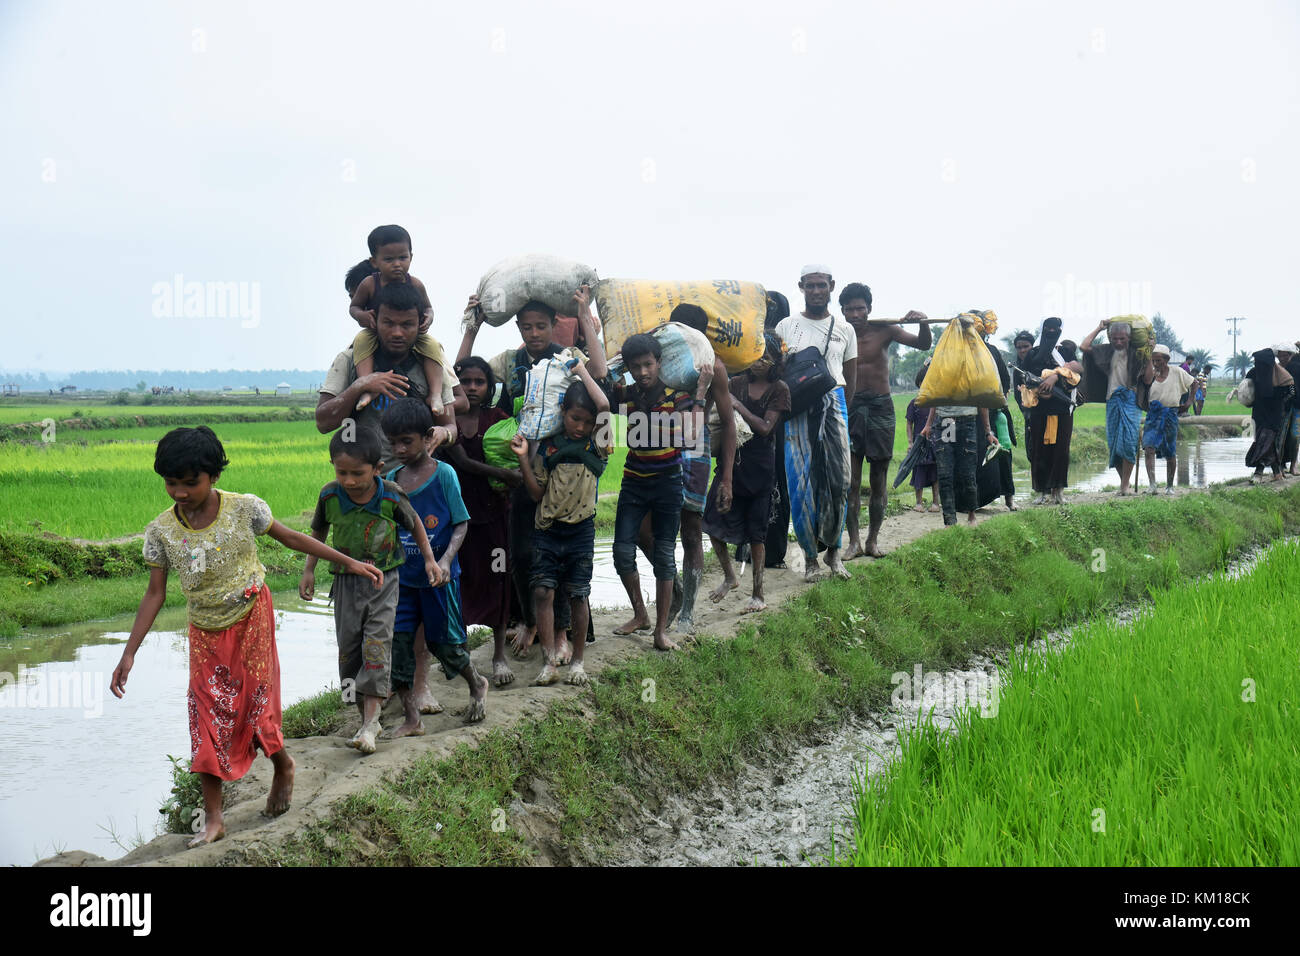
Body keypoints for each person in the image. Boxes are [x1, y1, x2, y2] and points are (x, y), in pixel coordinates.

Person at [111, 426, 384, 848]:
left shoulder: (245, 510)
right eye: (171, 483)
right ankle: (214, 819)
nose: (180, 492)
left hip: (252, 616)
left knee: (256, 709)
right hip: (204, 632)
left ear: (214, 476)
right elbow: (155, 594)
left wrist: (352, 562)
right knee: (205, 720)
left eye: (190, 482)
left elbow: (294, 538)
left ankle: (283, 766)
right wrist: (129, 654)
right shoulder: (161, 532)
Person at [459, 288, 601, 656]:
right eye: (526, 327)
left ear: (555, 325)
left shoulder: (569, 358)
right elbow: (460, 377)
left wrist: (585, 316)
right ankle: (530, 622)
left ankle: (566, 632)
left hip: (568, 472)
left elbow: (599, 376)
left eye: (541, 326)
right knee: (522, 552)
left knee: (567, 551)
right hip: (525, 468)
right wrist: (471, 328)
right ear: (518, 328)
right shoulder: (510, 362)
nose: (534, 334)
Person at [300, 428, 439, 755]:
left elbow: (416, 524)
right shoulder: (329, 496)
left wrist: (431, 560)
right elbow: (317, 532)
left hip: (383, 582)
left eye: (357, 473)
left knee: (376, 645)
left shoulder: (390, 495)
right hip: (345, 583)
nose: (348, 480)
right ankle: (367, 716)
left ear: (377, 468)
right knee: (349, 648)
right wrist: (308, 570)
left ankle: (370, 723)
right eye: (341, 472)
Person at [381, 398, 489, 726]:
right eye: (393, 442)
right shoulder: (390, 479)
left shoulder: (445, 476)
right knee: (399, 647)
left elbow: (460, 523)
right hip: (403, 579)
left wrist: (444, 562)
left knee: (447, 645)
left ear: (428, 437)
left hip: (439, 578)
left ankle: (476, 683)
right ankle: (411, 718)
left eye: (406, 441)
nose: (399, 448)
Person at [587, 330, 696, 650]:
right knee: (622, 552)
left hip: (667, 484)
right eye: (636, 366)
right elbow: (602, 388)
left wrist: (701, 393)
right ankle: (640, 614)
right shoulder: (628, 396)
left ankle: (660, 631)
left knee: (664, 556)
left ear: (659, 363)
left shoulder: (679, 398)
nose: (643, 372)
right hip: (634, 480)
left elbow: (691, 437)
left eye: (648, 364)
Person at [510, 361, 610, 685]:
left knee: (578, 594)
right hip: (547, 531)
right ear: (562, 412)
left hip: (581, 531)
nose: (579, 427)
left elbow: (605, 404)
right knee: (542, 591)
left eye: (587, 421)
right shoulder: (550, 447)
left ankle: (578, 661)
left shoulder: (597, 445)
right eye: (574, 418)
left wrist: (581, 369)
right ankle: (549, 661)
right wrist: (524, 458)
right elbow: (537, 492)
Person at [637, 303, 735, 632]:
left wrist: (727, 477)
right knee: (641, 527)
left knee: (690, 528)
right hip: (655, 440)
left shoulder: (712, 367)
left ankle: (688, 613)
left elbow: (729, 424)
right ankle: (676, 588)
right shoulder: (652, 363)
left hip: (694, 445)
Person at [317, 281, 461, 471]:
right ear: (375, 321)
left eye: (407, 325)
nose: (397, 333)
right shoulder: (349, 360)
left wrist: (443, 433)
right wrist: (361, 385)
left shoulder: (431, 364)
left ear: (421, 324)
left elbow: (450, 426)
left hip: (417, 480)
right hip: (366, 483)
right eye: (388, 323)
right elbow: (323, 422)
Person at [840, 282, 931, 559]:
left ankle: (872, 541)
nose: (855, 314)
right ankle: (853, 542)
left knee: (878, 477)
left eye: (860, 308)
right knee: (851, 482)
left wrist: (923, 322)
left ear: (869, 309)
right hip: (851, 406)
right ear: (842, 311)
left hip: (881, 407)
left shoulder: (885, 329)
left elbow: (923, 344)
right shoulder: (838, 334)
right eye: (850, 309)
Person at [777, 265, 856, 581]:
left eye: (821, 286)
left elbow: (850, 377)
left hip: (834, 403)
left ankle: (835, 553)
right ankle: (810, 559)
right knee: (801, 484)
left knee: (840, 480)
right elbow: (777, 371)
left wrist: (841, 412)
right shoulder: (786, 326)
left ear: (831, 286)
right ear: (801, 287)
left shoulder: (845, 329)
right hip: (797, 410)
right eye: (810, 286)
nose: (816, 292)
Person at [444, 356, 519, 686]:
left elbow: (517, 446)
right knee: (458, 583)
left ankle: (499, 654)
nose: (472, 388)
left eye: (480, 382)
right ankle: (461, 654)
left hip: (494, 515)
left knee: (498, 580)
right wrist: (504, 473)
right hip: (456, 518)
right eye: (466, 382)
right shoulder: (448, 420)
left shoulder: (498, 418)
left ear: (490, 387)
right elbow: (461, 461)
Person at [703, 334, 791, 613]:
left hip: (761, 468)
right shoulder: (735, 383)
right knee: (710, 520)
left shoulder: (779, 389)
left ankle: (758, 593)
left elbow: (766, 428)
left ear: (775, 360)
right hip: (732, 462)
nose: (758, 363)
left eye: (765, 358)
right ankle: (730, 575)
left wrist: (736, 405)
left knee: (757, 534)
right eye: (755, 356)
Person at [347, 225, 445, 415]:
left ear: (411, 257)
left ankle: (435, 394)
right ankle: (367, 388)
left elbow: (428, 307)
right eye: (389, 259)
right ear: (374, 261)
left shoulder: (415, 284)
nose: (397, 264)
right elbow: (354, 307)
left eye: (403, 257)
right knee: (361, 340)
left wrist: (428, 319)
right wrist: (362, 316)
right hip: (376, 332)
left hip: (411, 336)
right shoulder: (369, 284)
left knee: (432, 345)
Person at [1080, 318, 1154, 496]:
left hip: (1131, 400)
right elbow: (1084, 346)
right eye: (1115, 338)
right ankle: (1124, 483)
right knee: (1114, 445)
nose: (1118, 342)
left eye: (1122, 339)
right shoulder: (1105, 351)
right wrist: (1099, 328)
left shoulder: (1138, 353)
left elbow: (1148, 379)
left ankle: (1124, 485)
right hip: (1112, 400)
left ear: (1129, 338)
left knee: (1128, 443)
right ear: (1110, 338)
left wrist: (1149, 353)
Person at [1022, 319, 1083, 506]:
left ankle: (1058, 492)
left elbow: (1078, 371)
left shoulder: (1064, 352)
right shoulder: (1033, 354)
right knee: (1040, 449)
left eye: (1055, 329)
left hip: (1063, 410)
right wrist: (1040, 391)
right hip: (1040, 409)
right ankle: (1041, 492)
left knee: (1061, 451)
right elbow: (1027, 380)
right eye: (1048, 328)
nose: (1051, 331)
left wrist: (1055, 377)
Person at [971, 311, 1017, 512]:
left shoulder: (991, 351)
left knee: (1003, 454)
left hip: (994, 411)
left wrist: (999, 403)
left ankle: (1009, 499)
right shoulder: (958, 353)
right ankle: (974, 500)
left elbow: (1004, 381)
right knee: (971, 457)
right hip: (968, 415)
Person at [761, 290, 793, 569]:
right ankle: (770, 553)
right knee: (775, 483)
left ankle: (758, 550)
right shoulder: (784, 342)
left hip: (767, 422)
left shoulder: (757, 343)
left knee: (768, 483)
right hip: (775, 425)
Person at [1141, 344, 1195, 495]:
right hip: (1153, 414)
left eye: (1159, 360)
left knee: (1170, 450)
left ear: (1166, 360)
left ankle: (1170, 486)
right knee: (1148, 447)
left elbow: (1194, 383)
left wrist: (1189, 402)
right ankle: (1152, 485)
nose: (1156, 364)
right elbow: (1142, 391)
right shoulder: (1150, 375)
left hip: (1170, 414)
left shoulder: (1177, 372)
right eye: (1153, 361)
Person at [1245, 346, 1296, 482]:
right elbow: (1247, 389)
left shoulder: (1283, 376)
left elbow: (1291, 392)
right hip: (1259, 414)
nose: (1258, 366)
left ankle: (1258, 473)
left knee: (1264, 441)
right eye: (1256, 363)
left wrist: (1281, 402)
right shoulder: (1253, 373)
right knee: (1269, 443)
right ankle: (1277, 473)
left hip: (1274, 415)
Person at [905, 363, 940, 512]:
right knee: (918, 472)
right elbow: (909, 424)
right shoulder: (914, 403)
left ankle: (935, 503)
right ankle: (918, 503)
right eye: (922, 382)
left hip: (935, 444)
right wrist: (910, 442)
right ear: (919, 384)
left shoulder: (937, 404)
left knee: (935, 474)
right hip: (919, 444)